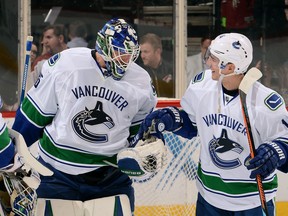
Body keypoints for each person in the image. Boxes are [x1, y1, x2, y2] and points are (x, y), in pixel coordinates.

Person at [12, 18, 157, 214]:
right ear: (103, 47)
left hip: (110, 178)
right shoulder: (66, 65)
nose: (125, 59)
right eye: (119, 52)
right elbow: (33, 116)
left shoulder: (141, 81)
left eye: (129, 53)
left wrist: (144, 147)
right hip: (57, 173)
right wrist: (11, 157)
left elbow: (138, 134)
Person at [136, 32, 288, 216]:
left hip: (251, 201)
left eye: (214, 59)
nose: (208, 63)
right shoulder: (202, 86)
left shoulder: (265, 102)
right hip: (209, 199)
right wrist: (171, 119)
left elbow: (284, 143)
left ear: (230, 66)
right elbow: (192, 124)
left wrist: (275, 152)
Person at [29, 24, 68, 89]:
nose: (44, 42)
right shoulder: (41, 63)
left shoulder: (73, 58)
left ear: (60, 38)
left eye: (49, 37)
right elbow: (31, 88)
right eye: (44, 38)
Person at [140, 33, 174, 98]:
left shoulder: (172, 70)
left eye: (146, 52)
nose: (142, 56)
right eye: (141, 52)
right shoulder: (140, 72)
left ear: (158, 51)